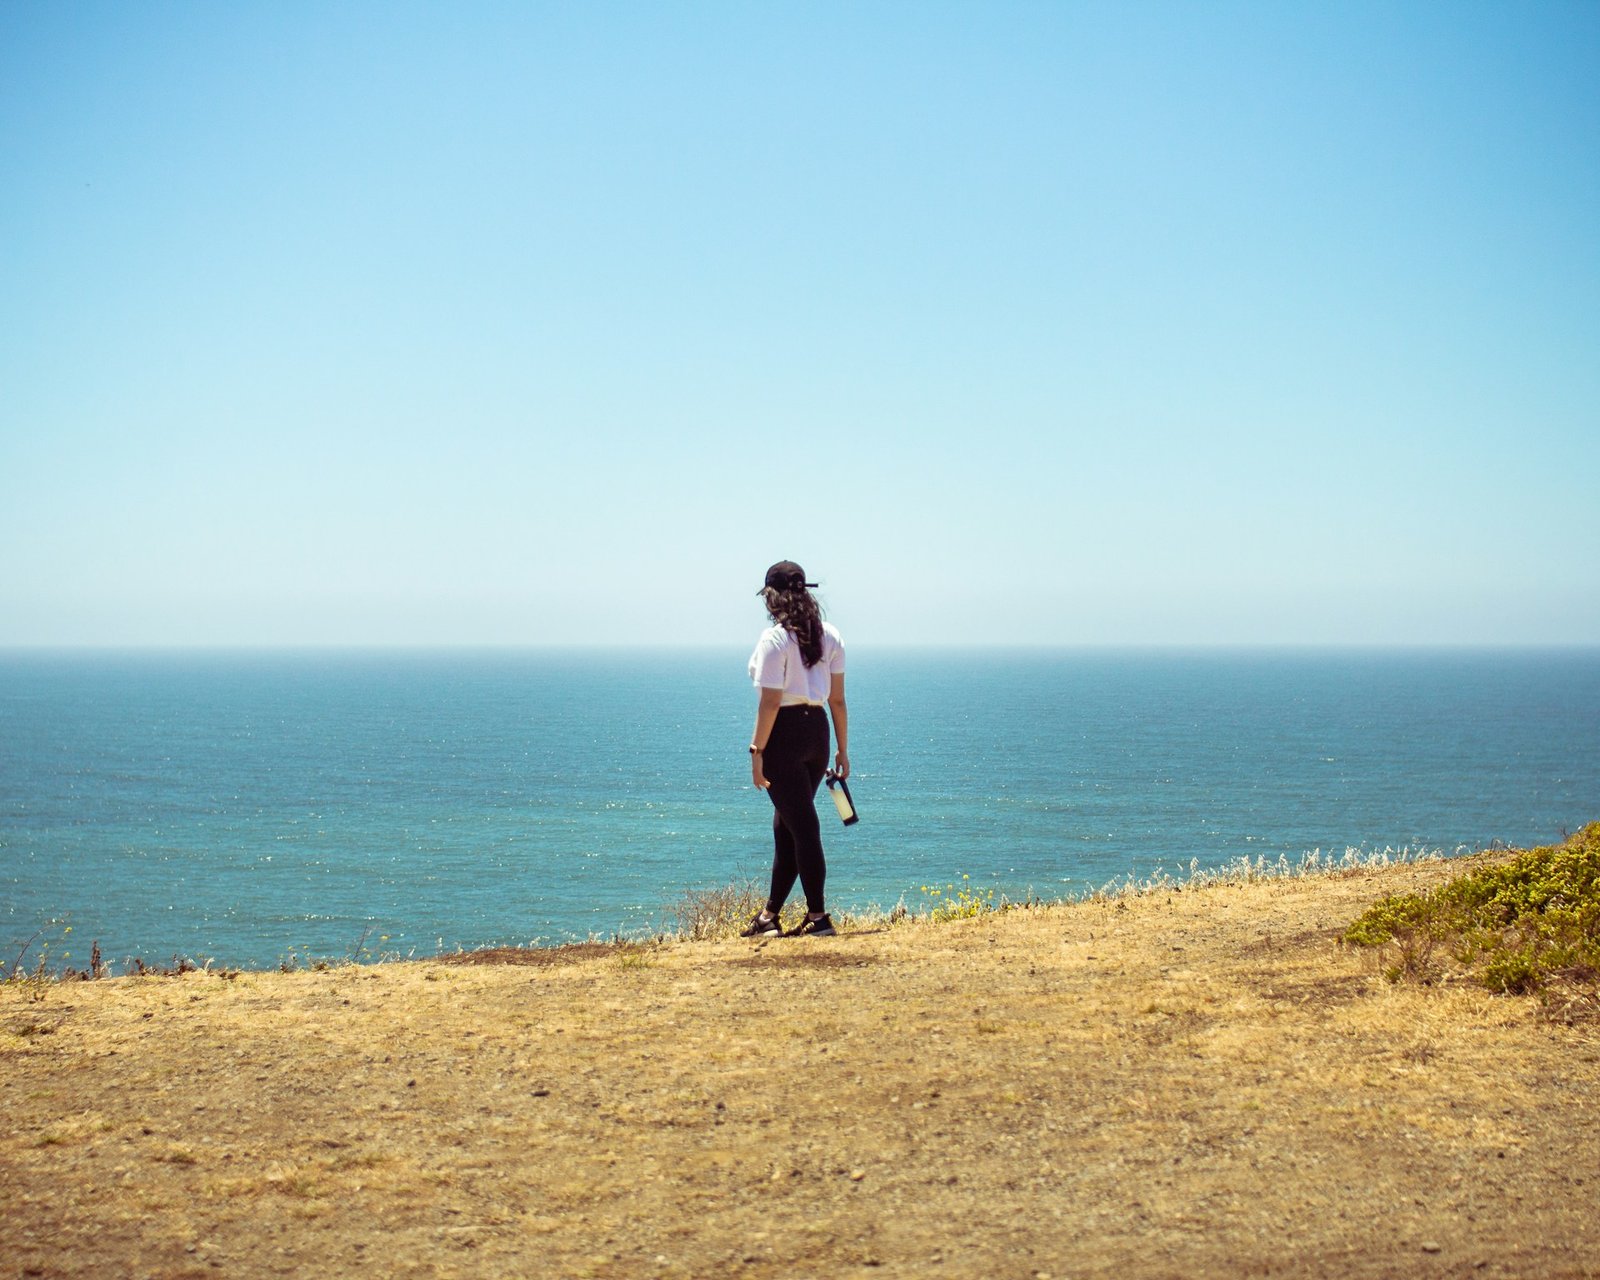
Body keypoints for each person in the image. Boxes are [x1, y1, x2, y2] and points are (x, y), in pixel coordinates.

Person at [741, 560, 849, 938]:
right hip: (817, 734)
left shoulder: (774, 640)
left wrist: (757, 753)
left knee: (802, 826)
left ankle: (818, 917)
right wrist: (842, 750)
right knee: (786, 825)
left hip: (784, 736)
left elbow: (770, 703)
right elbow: (837, 700)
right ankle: (770, 917)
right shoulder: (830, 636)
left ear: (772, 597)